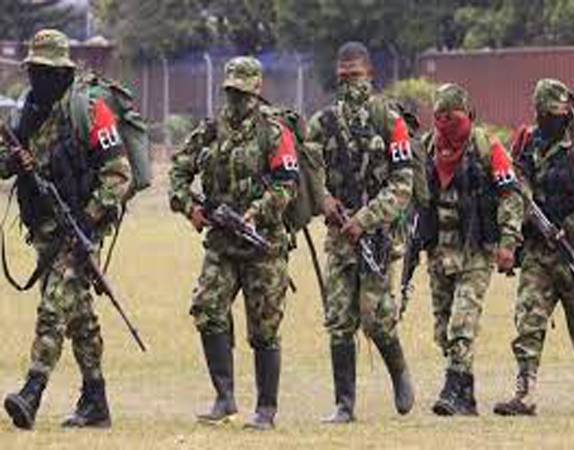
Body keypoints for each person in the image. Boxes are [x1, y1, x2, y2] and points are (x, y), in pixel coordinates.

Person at [0, 29, 132, 429]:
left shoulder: (88, 109)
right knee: (79, 318)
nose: (38, 77)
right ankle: (96, 400)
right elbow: (4, 162)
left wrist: (88, 220)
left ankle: (32, 392)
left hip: (80, 228)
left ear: (62, 72)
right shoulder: (28, 110)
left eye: (46, 71)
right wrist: (13, 162)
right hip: (44, 229)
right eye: (34, 69)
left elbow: (119, 174)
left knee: (54, 307)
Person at [169, 56, 299, 430]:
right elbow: (178, 171)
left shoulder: (274, 133)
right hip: (222, 242)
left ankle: (266, 409)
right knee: (207, 309)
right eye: (231, 92)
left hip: (263, 244)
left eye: (243, 93)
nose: (236, 100)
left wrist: (256, 212)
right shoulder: (211, 130)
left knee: (264, 328)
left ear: (257, 91)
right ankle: (224, 399)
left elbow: (286, 186)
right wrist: (191, 208)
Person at [305, 41, 415, 423]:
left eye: (356, 75)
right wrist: (324, 200)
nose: (350, 83)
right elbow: (308, 173)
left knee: (375, 317)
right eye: (343, 77)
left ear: (370, 74)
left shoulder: (390, 120)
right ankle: (344, 405)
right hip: (339, 235)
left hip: (377, 236)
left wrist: (365, 219)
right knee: (338, 319)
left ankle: (399, 372)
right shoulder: (322, 123)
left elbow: (402, 185)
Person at [494, 79, 574, 416]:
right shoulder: (527, 144)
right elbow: (514, 191)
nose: (550, 120)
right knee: (528, 322)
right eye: (544, 113)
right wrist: (511, 239)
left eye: (555, 114)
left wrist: (572, 223)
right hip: (538, 254)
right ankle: (524, 392)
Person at [418, 83, 523, 415]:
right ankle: (466, 394)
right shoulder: (428, 148)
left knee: (461, 323)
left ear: (468, 115)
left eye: (452, 116)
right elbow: (415, 197)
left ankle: (452, 390)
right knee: (443, 330)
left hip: (475, 249)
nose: (446, 123)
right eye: (439, 116)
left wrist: (508, 243)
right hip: (439, 251)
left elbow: (511, 197)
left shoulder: (487, 147)